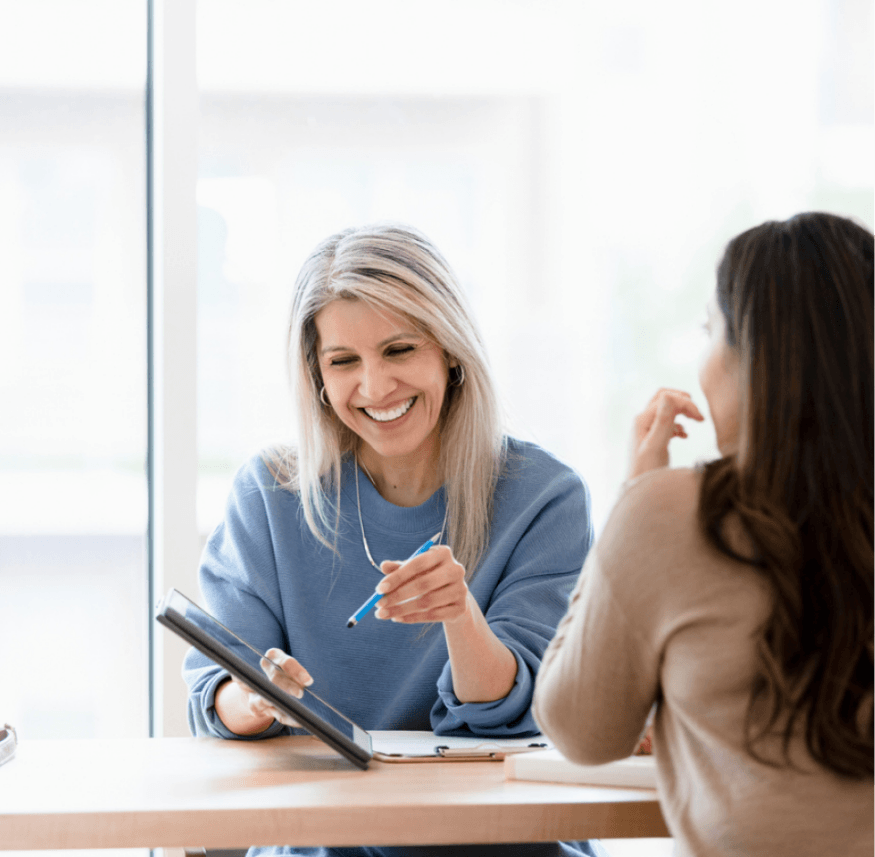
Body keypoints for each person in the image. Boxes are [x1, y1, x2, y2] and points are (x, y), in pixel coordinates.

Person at [184, 223, 606, 857]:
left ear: (450, 351)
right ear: (317, 378)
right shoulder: (269, 495)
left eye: (400, 350)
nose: (376, 388)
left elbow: (522, 714)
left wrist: (460, 615)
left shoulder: (544, 497)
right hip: (322, 846)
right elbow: (211, 696)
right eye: (344, 361)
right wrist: (253, 697)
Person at [533, 212, 874, 856]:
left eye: (709, 332)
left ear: (757, 358)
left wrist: (634, 499)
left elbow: (582, 731)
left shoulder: (670, 513)